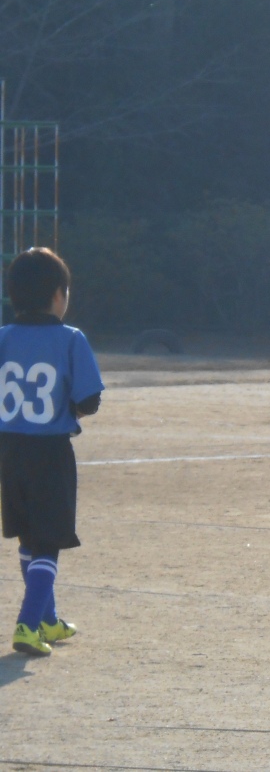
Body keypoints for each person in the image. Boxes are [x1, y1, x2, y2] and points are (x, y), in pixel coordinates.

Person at [1, 248, 103, 657]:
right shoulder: (70, 338)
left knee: (30, 535)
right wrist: (71, 410)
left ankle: (48, 619)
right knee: (48, 541)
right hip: (49, 452)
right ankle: (28, 625)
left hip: (8, 450)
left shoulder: (3, 337)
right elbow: (90, 400)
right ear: (59, 295)